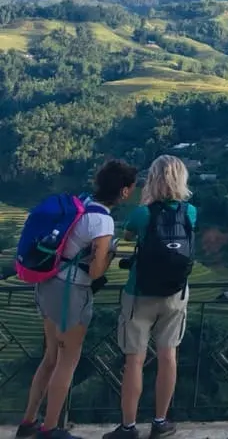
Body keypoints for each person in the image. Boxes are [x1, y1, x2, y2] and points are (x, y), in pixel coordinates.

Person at [18, 160, 138, 439]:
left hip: (48, 283)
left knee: (49, 357)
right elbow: (96, 271)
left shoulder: (81, 204)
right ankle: (50, 430)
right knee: (67, 360)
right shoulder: (103, 220)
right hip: (71, 292)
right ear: (124, 191)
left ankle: (28, 423)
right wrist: (110, 254)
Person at [103, 155, 198, 439]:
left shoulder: (142, 214)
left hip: (140, 293)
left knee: (134, 360)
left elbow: (129, 238)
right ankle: (160, 422)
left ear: (153, 180)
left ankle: (129, 427)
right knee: (168, 356)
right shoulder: (191, 212)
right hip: (176, 294)